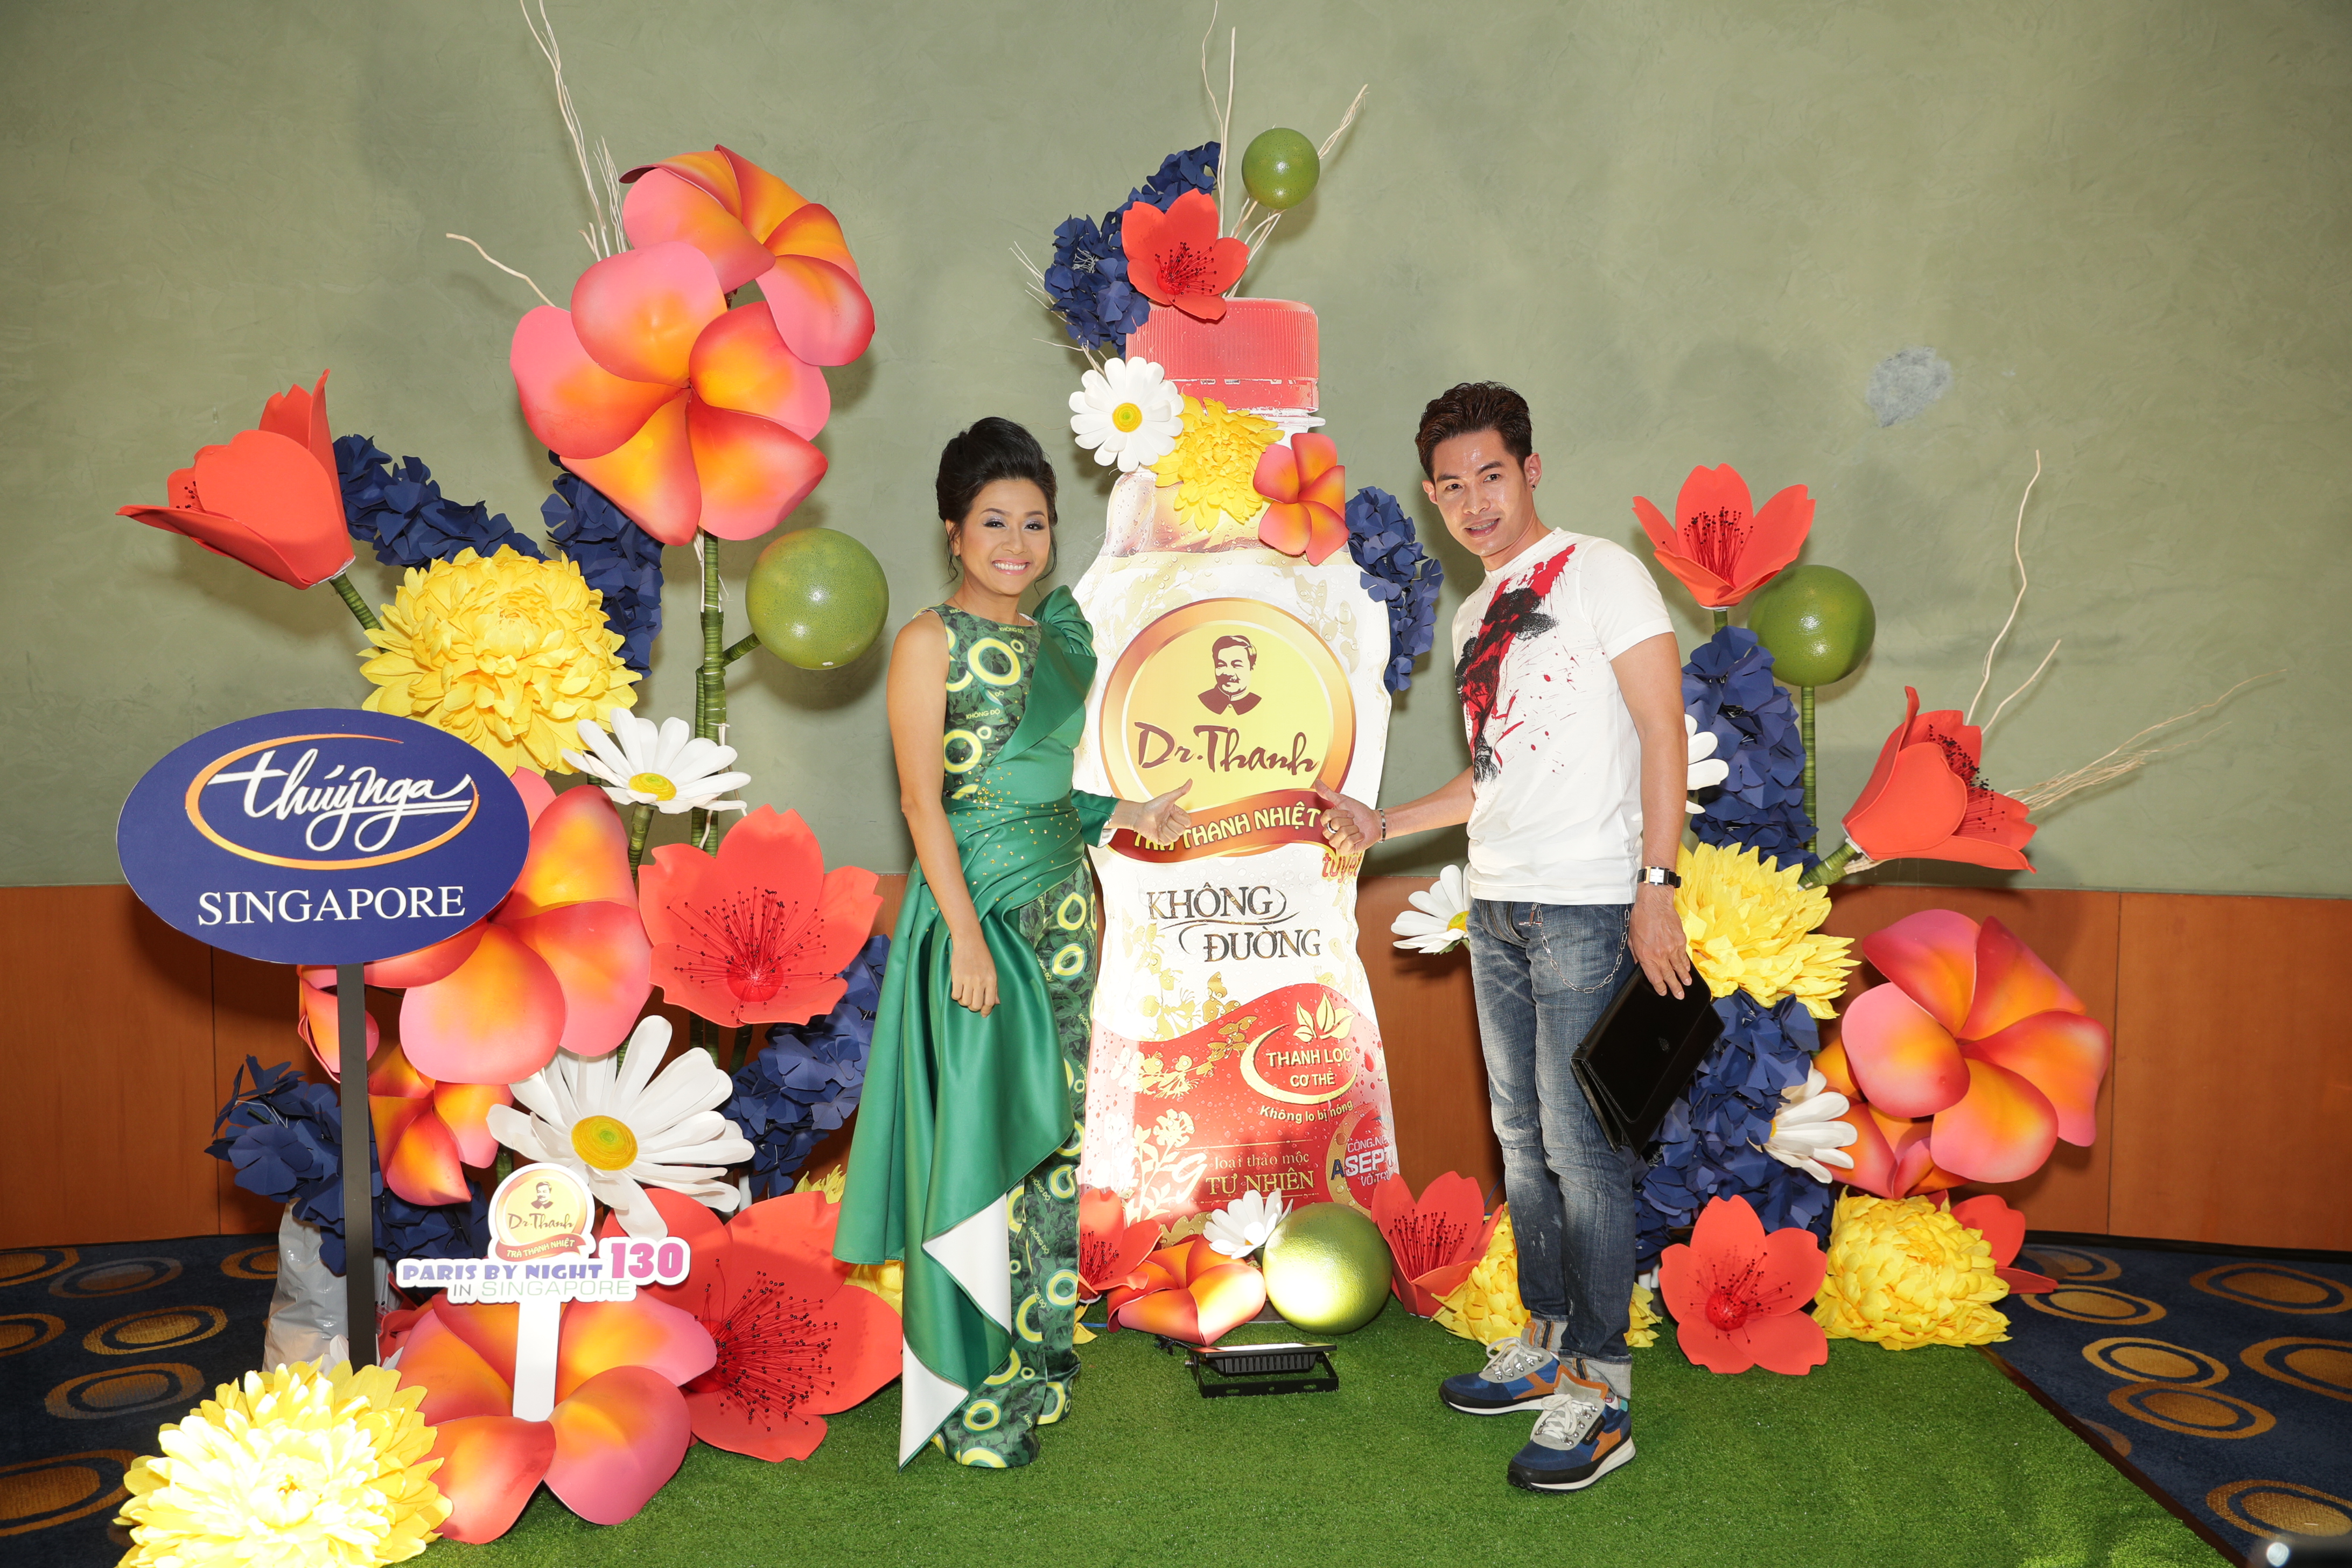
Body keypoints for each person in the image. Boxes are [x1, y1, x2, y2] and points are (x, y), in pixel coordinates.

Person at [1317, 382, 1693, 1495]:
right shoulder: (1474, 612)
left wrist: (1656, 884)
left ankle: (1603, 1390)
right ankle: (1546, 1340)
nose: (1473, 501)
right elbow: (1492, 776)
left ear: (1530, 469)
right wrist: (1385, 822)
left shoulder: (1601, 571)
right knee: (1521, 1141)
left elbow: (1663, 728)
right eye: (1451, 486)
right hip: (1497, 902)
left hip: (1585, 902)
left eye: (1491, 474)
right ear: (1432, 498)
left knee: (1583, 1151)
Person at [836, 417, 1191, 1470]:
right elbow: (925, 801)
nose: (1017, 542)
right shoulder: (929, 641)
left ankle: (1039, 1358)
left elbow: (1037, 792)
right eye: (994, 521)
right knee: (977, 1146)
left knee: (1052, 1142)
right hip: (976, 919)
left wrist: (1127, 810)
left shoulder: (1055, 642)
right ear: (953, 531)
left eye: (1034, 522)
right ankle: (973, 1394)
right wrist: (963, 936)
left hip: (1068, 913)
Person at [1198, 633, 1263, 715]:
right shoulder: (1204, 700)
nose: (1228, 673)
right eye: (1221, 665)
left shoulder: (1259, 703)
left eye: (1237, 665)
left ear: (1252, 667)